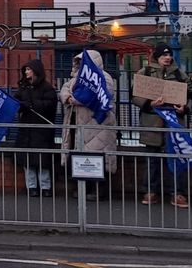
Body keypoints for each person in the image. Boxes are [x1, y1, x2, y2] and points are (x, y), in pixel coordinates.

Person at [131, 42, 192, 208]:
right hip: (152, 123)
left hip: (174, 123)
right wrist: (149, 103)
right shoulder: (145, 73)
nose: (168, 58)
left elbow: (190, 95)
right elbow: (135, 95)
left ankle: (177, 192)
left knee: (176, 158)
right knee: (152, 160)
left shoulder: (180, 74)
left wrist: (185, 107)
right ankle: (150, 191)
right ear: (156, 57)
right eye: (163, 55)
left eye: (169, 55)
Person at [60, 50, 117, 200]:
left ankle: (99, 190)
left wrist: (77, 100)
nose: (79, 65)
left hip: (98, 125)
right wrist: (67, 98)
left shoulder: (104, 77)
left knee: (98, 157)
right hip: (76, 124)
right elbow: (64, 89)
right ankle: (82, 188)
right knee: (79, 157)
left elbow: (100, 95)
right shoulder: (74, 78)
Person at [14, 59, 58, 198]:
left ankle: (46, 186)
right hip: (27, 127)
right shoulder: (23, 88)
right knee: (28, 160)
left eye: (28, 69)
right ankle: (31, 186)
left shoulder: (47, 88)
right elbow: (16, 102)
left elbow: (50, 105)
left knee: (42, 160)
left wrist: (33, 104)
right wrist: (22, 105)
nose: (26, 72)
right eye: (25, 70)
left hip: (42, 129)